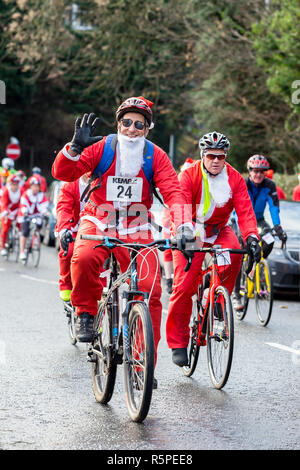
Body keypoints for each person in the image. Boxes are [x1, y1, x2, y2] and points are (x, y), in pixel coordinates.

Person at [51, 96, 191, 380]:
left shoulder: (155, 156)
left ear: (147, 129)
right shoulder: (101, 148)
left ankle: (143, 361)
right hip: (98, 219)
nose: (131, 129)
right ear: (118, 124)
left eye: (139, 124)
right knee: (85, 258)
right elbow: (63, 173)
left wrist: (185, 226)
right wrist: (75, 148)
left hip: (136, 224)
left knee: (150, 289)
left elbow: (174, 193)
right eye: (126, 122)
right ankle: (86, 314)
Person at [166, 131, 261, 367]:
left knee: (235, 253)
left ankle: (217, 299)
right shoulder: (189, 174)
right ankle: (178, 341)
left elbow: (245, 211)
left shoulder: (235, 178)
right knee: (184, 284)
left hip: (218, 229)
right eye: (211, 156)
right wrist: (183, 232)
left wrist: (252, 237)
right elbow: (180, 205)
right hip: (191, 229)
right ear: (203, 155)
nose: (216, 161)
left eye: (221, 156)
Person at [232, 154, 287, 310]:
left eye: (261, 172)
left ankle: (257, 263)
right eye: (255, 171)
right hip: (240, 219)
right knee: (240, 252)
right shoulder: (243, 183)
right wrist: (243, 229)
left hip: (259, 220)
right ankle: (236, 294)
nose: (258, 175)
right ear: (249, 171)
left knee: (270, 239)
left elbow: (274, 208)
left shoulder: (269, 185)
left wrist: (278, 227)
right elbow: (239, 208)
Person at [55, 174, 90, 302]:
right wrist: (64, 229)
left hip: (95, 230)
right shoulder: (70, 184)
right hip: (73, 230)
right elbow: (63, 207)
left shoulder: (102, 182)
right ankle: (65, 284)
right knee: (68, 252)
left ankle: (101, 291)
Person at [18, 175, 49, 261]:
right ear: (31, 186)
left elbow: (44, 205)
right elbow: (23, 204)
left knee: (40, 223)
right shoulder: (26, 194)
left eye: (37, 186)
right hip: (26, 214)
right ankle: (22, 251)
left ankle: (36, 238)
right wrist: (25, 211)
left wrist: (45, 212)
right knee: (25, 231)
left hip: (36, 215)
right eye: (34, 186)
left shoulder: (41, 195)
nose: (36, 188)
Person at [0, 174, 21, 256]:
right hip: (7, 212)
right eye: (13, 184)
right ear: (10, 184)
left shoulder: (21, 191)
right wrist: (5, 211)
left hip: (16, 211)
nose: (15, 187)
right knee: (5, 229)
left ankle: (17, 237)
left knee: (20, 224)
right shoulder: (6, 191)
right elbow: (3, 203)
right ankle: (3, 247)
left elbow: (22, 202)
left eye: (16, 185)